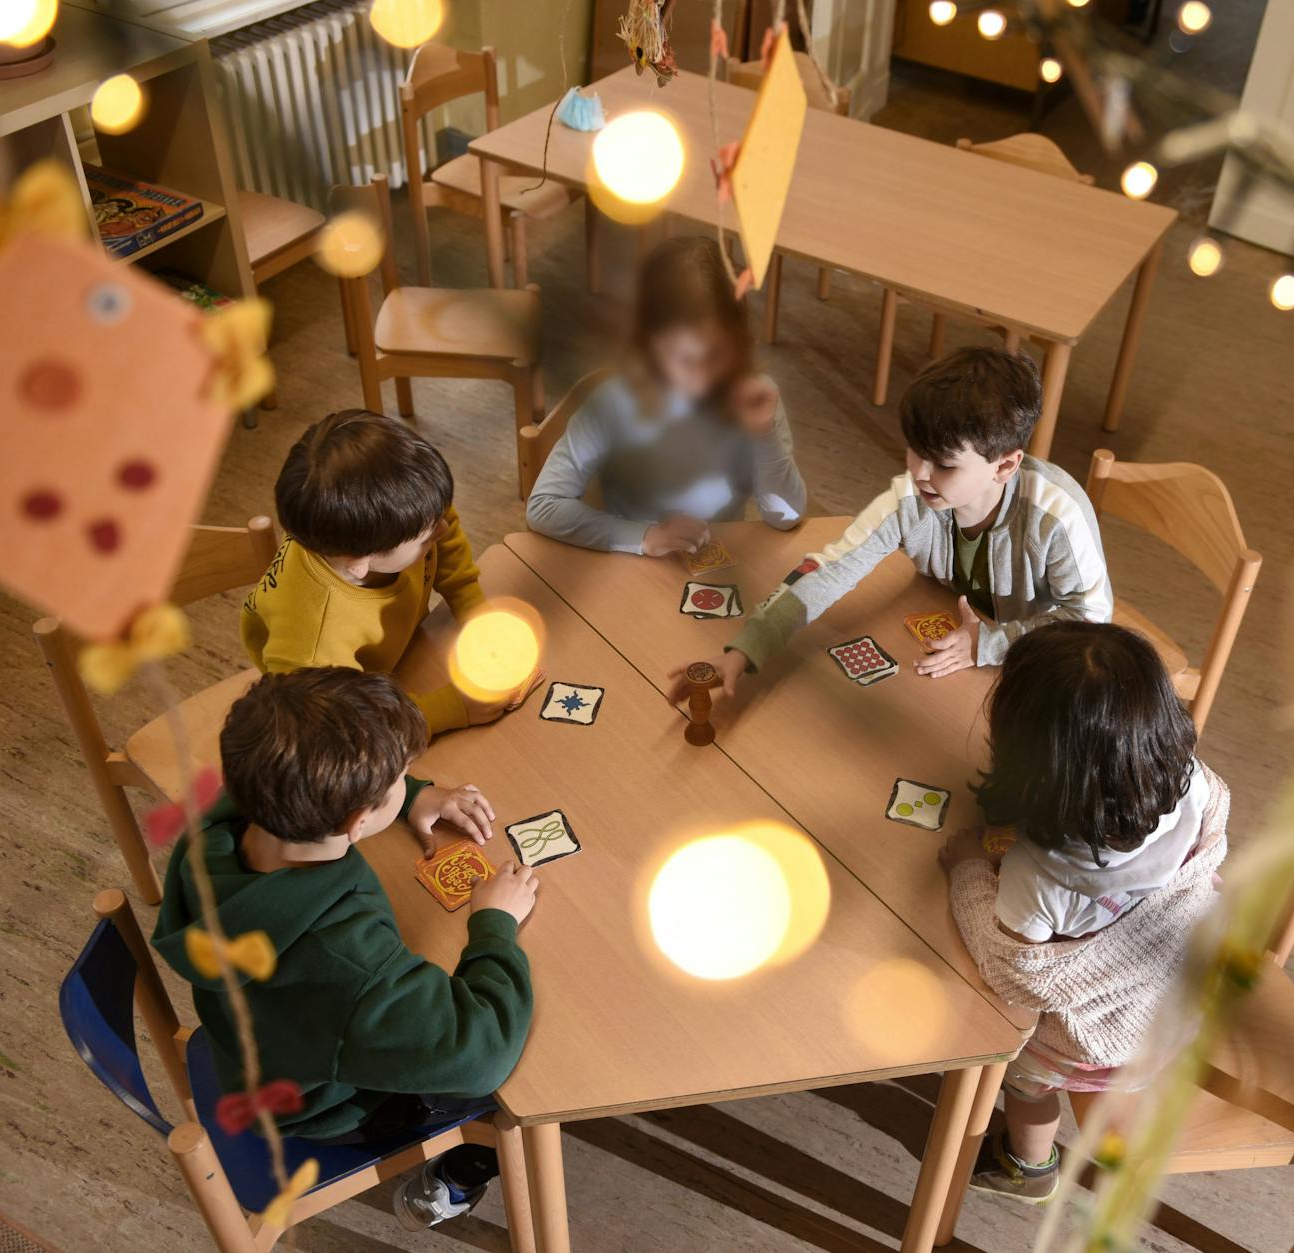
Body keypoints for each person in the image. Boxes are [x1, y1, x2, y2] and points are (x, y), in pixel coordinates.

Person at [151, 667, 538, 1230]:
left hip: (257, 1050)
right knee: (522, 1086)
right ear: (358, 819)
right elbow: (480, 1053)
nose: (408, 780)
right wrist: (495, 925)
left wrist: (413, 796)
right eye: (403, 776)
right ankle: (461, 1170)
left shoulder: (218, 826)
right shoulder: (345, 961)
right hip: (333, 1107)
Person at [940, 622, 1227, 1202]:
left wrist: (968, 870)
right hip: (1188, 989)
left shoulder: (1040, 876)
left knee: (1027, 1081)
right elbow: (1211, 844)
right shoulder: (1195, 784)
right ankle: (1124, 1140)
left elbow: (1015, 973)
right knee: (1121, 1076)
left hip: (1091, 1036)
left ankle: (1031, 1164)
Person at [666, 346, 1110, 703]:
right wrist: (743, 651)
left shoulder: (1056, 516)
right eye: (915, 451)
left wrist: (990, 644)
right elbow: (830, 570)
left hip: (1035, 660)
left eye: (943, 464)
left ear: (1005, 466)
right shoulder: (911, 497)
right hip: (954, 634)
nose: (919, 473)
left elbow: (1091, 626)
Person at [524, 234, 806, 555]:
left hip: (717, 564)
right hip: (631, 567)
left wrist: (764, 435)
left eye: (716, 355)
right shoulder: (613, 403)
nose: (701, 380)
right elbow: (543, 506)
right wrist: (645, 536)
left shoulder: (756, 397)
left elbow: (787, 516)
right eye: (683, 358)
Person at [242, 410, 510, 734]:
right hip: (338, 707)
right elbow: (345, 727)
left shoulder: (405, 511)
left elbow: (444, 526)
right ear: (360, 562)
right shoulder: (312, 648)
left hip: (400, 656)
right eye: (426, 538)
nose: (442, 527)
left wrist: (474, 612)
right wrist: (453, 708)